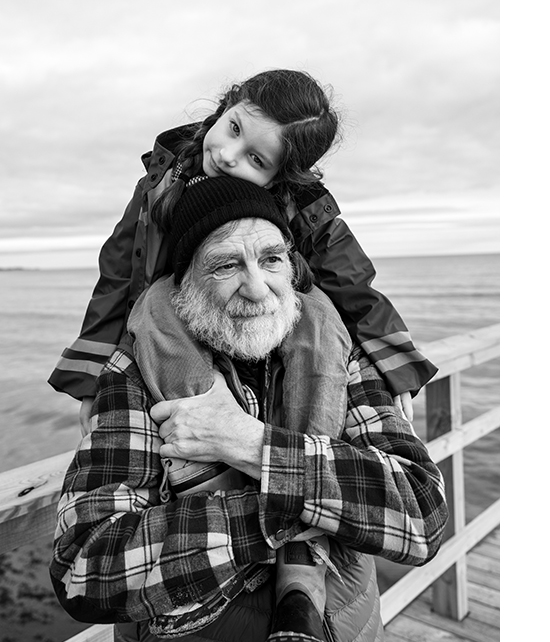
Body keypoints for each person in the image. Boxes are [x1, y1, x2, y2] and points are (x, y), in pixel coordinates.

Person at [50, 177, 448, 642]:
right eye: (225, 264)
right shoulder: (137, 371)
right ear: (184, 282)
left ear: (292, 265)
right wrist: (303, 509)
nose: (258, 287)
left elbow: (419, 513)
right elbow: (89, 567)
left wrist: (248, 442)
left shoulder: (340, 352)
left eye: (272, 258)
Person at [47, 68, 437, 437]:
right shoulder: (161, 181)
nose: (228, 155)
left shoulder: (301, 202)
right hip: (189, 298)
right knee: (155, 310)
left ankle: (307, 446)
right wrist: (91, 377)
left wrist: (395, 362)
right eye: (234, 128)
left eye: (256, 159)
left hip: (268, 304)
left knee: (319, 319)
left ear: (279, 176)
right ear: (227, 105)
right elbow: (120, 267)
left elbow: (348, 274)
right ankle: (199, 449)